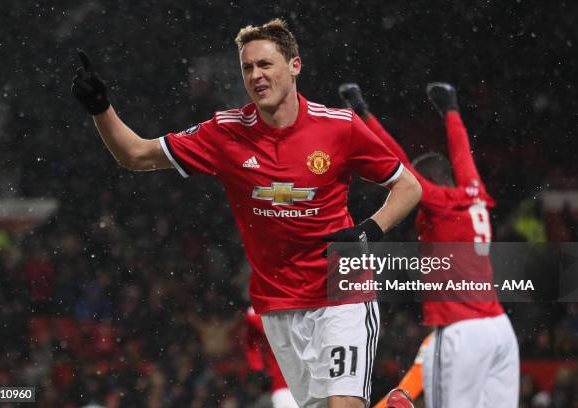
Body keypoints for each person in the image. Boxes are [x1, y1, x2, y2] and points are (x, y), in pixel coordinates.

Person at [72, 19, 422, 407]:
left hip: (342, 293)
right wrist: (100, 109)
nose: (256, 75)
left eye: (265, 64)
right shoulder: (224, 132)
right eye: (247, 68)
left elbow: (408, 186)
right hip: (277, 304)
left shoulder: (339, 127)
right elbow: (135, 155)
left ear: (295, 66)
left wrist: (368, 231)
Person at [339, 82, 520, 407]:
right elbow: (462, 154)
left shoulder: (437, 202)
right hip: (500, 329)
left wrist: (364, 114)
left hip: (461, 331)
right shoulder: (474, 192)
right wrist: (451, 109)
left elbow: (398, 164)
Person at [244, 307, 299, 408]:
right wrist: (257, 369)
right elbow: (252, 344)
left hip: (314, 381)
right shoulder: (256, 314)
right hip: (283, 383)